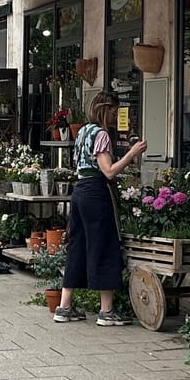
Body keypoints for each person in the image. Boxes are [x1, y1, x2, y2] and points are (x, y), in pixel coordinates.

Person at [58, 92, 146, 325]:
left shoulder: (83, 132)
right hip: (97, 192)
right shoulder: (102, 134)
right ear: (104, 110)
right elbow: (108, 171)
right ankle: (106, 311)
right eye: (114, 112)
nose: (116, 116)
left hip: (79, 192)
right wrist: (131, 154)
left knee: (78, 245)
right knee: (104, 244)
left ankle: (64, 306)